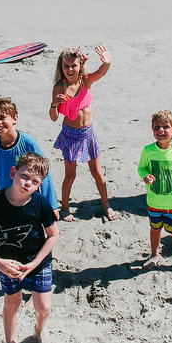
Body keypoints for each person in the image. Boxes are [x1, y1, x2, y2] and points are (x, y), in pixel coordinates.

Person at [0, 153, 59, 343]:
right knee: (12, 304)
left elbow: (53, 235)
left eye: (35, 181)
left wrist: (35, 263)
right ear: (13, 173)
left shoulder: (40, 204)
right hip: (7, 265)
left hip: (37, 263)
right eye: (24, 176)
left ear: (39, 185)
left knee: (43, 306)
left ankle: (39, 329)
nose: (28, 183)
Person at [49, 45, 118, 221]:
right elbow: (53, 118)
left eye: (74, 65)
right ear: (61, 67)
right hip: (70, 135)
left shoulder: (86, 81)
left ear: (80, 65)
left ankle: (106, 206)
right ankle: (65, 208)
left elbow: (101, 72)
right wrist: (54, 104)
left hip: (88, 134)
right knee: (70, 175)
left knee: (97, 173)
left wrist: (107, 62)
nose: (70, 69)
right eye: (66, 66)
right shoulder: (59, 87)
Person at [138, 110, 172, 281]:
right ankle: (154, 254)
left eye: (165, 127)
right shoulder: (148, 150)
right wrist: (145, 176)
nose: (161, 130)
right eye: (157, 127)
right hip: (154, 201)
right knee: (155, 229)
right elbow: (142, 167)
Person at [0, 97, 60, 216]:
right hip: (6, 201)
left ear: (15, 118)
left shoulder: (29, 143)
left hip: (30, 199)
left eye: (2, 118)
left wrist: (52, 205)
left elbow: (45, 174)